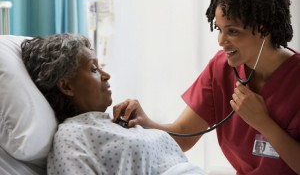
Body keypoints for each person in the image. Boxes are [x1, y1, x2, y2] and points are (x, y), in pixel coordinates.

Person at [113, 0, 300, 174]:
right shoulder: (220, 68)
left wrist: (263, 123)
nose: (221, 40)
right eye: (219, 30)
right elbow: (184, 135)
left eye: (233, 31)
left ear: (264, 29)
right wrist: (145, 123)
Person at [21, 33, 206, 175]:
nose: (106, 75)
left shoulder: (115, 124)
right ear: (66, 86)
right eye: (93, 69)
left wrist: (145, 124)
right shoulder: (72, 135)